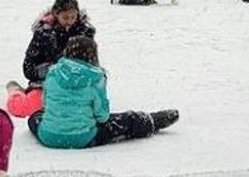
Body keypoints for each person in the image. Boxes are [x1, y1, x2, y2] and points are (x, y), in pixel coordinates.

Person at [28, 37, 179, 149]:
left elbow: (46, 104)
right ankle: (150, 121)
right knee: (125, 121)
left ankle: (55, 129)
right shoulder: (95, 78)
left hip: (48, 136)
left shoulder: (53, 72)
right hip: (84, 138)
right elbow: (102, 116)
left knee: (34, 117)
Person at [7, 0, 95, 118]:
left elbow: (91, 63)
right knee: (29, 108)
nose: (69, 21)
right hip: (47, 81)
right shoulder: (44, 34)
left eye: (73, 17)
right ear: (56, 15)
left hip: (76, 81)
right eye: (65, 17)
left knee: (85, 106)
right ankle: (15, 92)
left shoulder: (84, 33)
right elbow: (28, 67)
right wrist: (50, 71)